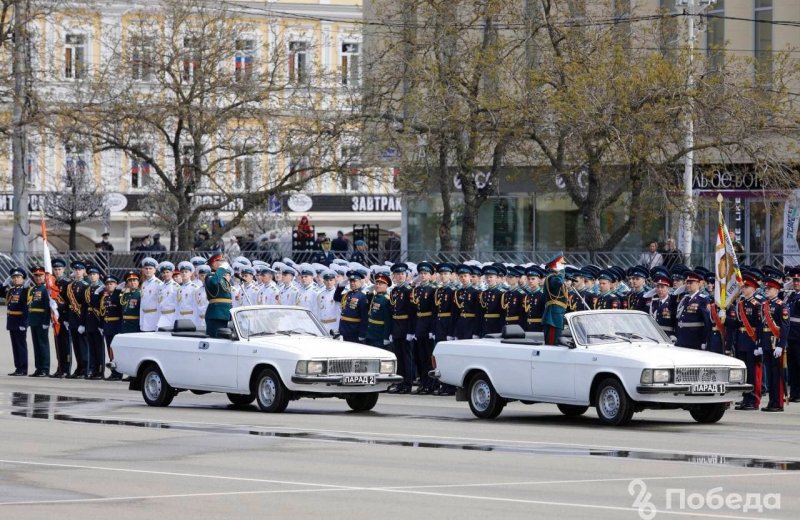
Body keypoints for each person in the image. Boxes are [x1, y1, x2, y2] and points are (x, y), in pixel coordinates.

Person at [735, 273, 765, 411]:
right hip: (742, 339)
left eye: (747, 287)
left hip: (751, 340)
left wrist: (759, 343)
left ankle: (753, 400)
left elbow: (760, 326)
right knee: (745, 372)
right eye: (743, 286)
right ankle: (745, 398)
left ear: (753, 289)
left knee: (752, 372)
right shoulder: (741, 303)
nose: (744, 289)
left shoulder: (756, 304)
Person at [761, 275, 789, 412]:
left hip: (775, 342)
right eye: (766, 288)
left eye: (770, 288)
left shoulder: (781, 306)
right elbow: (762, 325)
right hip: (766, 342)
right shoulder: (765, 305)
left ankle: (778, 403)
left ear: (777, 290)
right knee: (770, 374)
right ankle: (771, 402)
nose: (767, 290)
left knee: (777, 374)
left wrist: (780, 345)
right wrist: (760, 343)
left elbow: (784, 327)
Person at [388, 263, 414, 394]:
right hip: (396, 326)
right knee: (398, 356)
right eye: (397, 275)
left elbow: (412, 313)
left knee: (407, 356)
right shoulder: (394, 291)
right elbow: (393, 312)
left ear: (406, 276)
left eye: (402, 274)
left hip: (405, 326)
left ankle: (407, 383)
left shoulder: (409, 291)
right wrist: (391, 331)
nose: (399, 277)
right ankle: (400, 382)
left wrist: (410, 331)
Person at [411, 261, 436, 393]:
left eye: (425, 273)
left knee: (428, 356)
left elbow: (434, 311)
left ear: (431, 275)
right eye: (421, 273)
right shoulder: (417, 289)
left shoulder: (432, 290)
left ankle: (431, 383)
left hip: (427, 324)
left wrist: (432, 329)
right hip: (419, 324)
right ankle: (423, 381)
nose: (423, 276)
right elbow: (415, 310)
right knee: (420, 356)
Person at [2, 267, 30, 376]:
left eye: (18, 277)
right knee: (15, 346)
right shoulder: (10, 291)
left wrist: (24, 323)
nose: (15, 279)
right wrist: (4, 285)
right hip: (12, 322)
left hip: (20, 322)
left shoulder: (25, 291)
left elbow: (26, 309)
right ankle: (18, 368)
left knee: (21, 346)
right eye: (13, 277)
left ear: (23, 279)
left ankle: (23, 369)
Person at [674, 270, 711, 350]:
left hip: (695, 340)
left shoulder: (703, 299)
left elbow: (707, 323)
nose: (688, 285)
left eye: (691, 283)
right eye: (687, 283)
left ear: (698, 284)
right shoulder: (684, 298)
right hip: (682, 339)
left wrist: (704, 341)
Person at [27, 266, 53, 377]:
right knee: (36, 345)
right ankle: (39, 368)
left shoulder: (45, 289)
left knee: (43, 345)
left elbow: (47, 307)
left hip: (42, 320)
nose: (38, 278)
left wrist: (46, 321)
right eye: (36, 276)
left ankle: (45, 368)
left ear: (44, 276)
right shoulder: (33, 289)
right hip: (34, 320)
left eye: (40, 275)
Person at [65, 261, 90, 378]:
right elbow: (67, 303)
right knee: (76, 345)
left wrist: (83, 323)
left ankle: (85, 368)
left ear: (84, 271)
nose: (77, 272)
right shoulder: (71, 285)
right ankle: (79, 367)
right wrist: (66, 319)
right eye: (75, 270)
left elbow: (85, 306)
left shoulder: (85, 285)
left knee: (83, 345)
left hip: (80, 317)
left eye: (80, 270)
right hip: (72, 317)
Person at [50, 258, 72, 378]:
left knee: (66, 344)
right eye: (55, 269)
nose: (57, 271)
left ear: (63, 269)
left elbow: (70, 302)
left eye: (59, 269)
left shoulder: (67, 283)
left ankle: (66, 369)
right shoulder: (52, 283)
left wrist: (68, 319)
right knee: (58, 343)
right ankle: (60, 367)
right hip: (56, 318)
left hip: (64, 318)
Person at [101, 274, 124, 380]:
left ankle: (118, 373)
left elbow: (121, 312)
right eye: (108, 284)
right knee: (110, 350)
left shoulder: (119, 295)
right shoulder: (105, 297)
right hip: (107, 326)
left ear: (116, 285)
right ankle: (113, 372)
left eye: (112, 284)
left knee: (116, 351)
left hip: (116, 325)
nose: (109, 286)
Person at [83, 265, 105, 379]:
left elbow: (102, 308)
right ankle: (91, 369)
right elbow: (84, 308)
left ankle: (100, 370)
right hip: (89, 321)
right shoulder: (87, 289)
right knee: (91, 348)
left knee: (99, 348)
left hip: (97, 321)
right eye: (91, 274)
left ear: (99, 275)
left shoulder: (101, 289)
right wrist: (83, 323)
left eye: (94, 274)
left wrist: (102, 324)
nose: (92, 276)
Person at [542, 253, 568, 346]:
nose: (563, 267)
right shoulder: (552, 278)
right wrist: (561, 272)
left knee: (558, 341)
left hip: (558, 313)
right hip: (553, 315)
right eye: (561, 264)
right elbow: (558, 282)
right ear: (554, 266)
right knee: (553, 342)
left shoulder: (555, 276)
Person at [204, 254, 233, 338]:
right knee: (214, 339)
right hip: (216, 313)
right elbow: (213, 282)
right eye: (221, 261)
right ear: (214, 263)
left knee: (222, 339)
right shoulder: (210, 276)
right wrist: (222, 268)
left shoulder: (221, 278)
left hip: (224, 313)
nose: (224, 263)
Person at [338, 269, 369, 343]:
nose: (352, 283)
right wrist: (341, 286)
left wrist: (362, 334)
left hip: (354, 330)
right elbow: (336, 297)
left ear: (360, 282)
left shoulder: (362, 296)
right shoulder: (347, 294)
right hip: (344, 329)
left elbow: (364, 317)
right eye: (351, 281)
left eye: (354, 281)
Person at [365, 273, 393, 350]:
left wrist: (386, 337)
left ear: (386, 286)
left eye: (380, 284)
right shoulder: (374, 296)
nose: (377, 286)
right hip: (371, 332)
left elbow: (388, 320)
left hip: (380, 334)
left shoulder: (386, 300)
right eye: (376, 283)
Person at [787, 267, 800, 402]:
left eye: (798, 280)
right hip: (791, 336)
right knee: (792, 366)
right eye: (794, 280)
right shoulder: (791, 296)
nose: (796, 283)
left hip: (798, 336)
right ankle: (795, 393)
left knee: (798, 365)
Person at [139, 257, 162, 332]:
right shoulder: (144, 284)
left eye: (150, 268)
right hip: (144, 317)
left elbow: (160, 304)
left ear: (155, 270)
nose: (148, 270)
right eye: (146, 268)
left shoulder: (159, 284)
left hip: (154, 317)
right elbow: (142, 303)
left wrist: (158, 321)